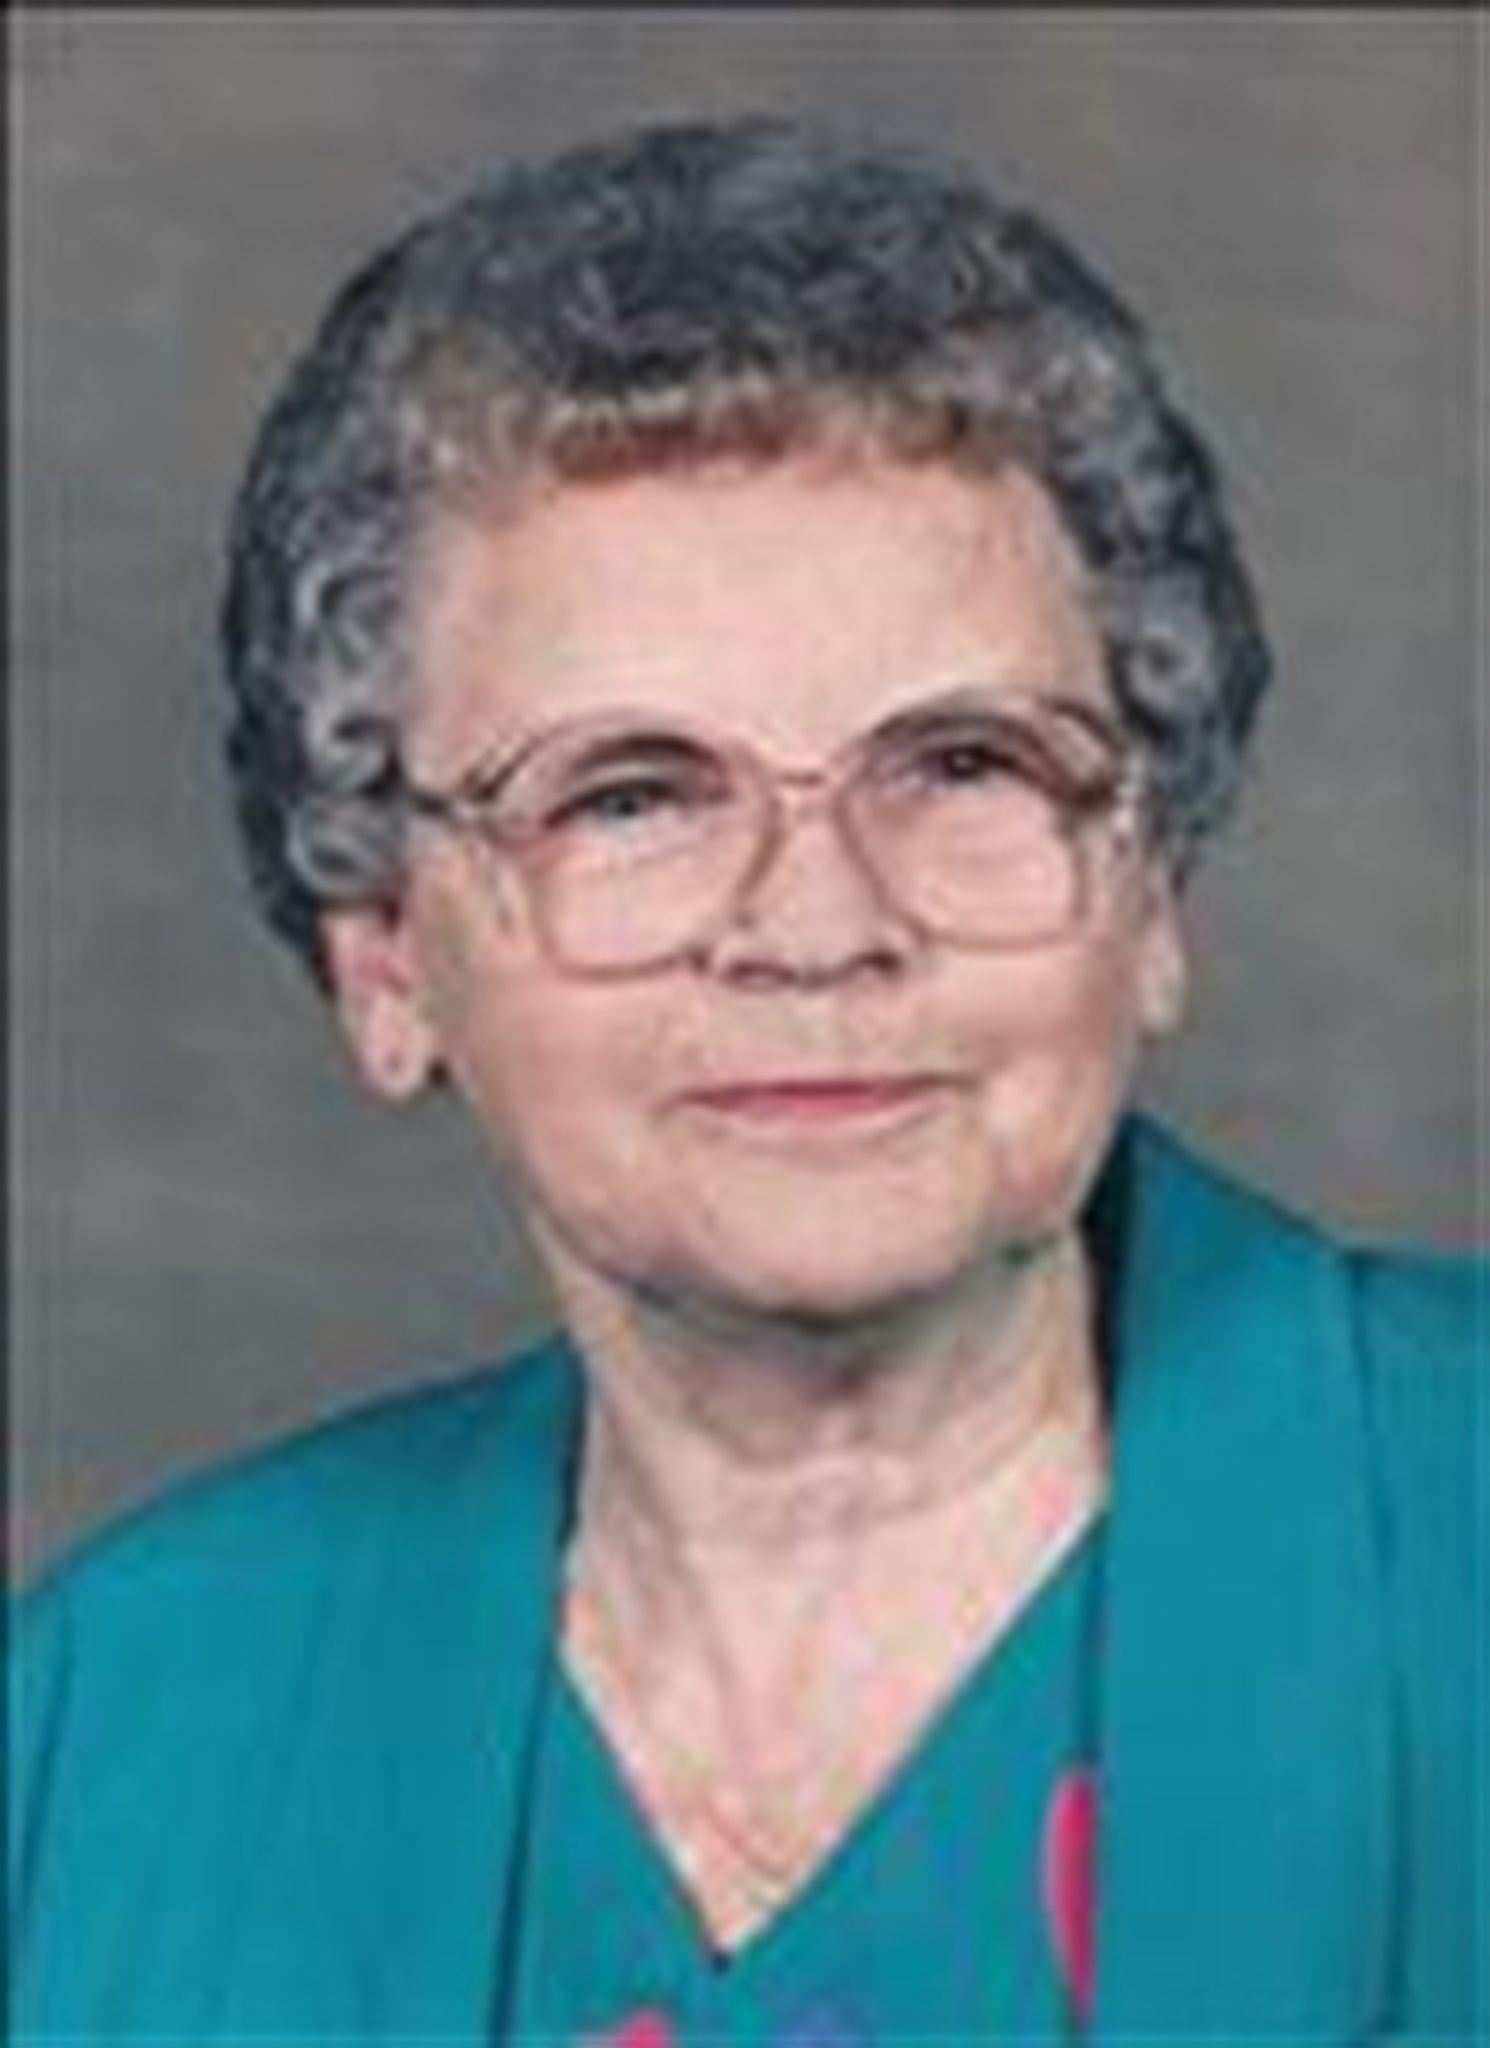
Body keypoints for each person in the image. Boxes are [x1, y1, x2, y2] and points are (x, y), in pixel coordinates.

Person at [9, 116, 1481, 2047]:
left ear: (1150, 888)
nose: (815, 926)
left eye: (961, 765)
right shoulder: (106, 1732)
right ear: (383, 957)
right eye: (629, 797)